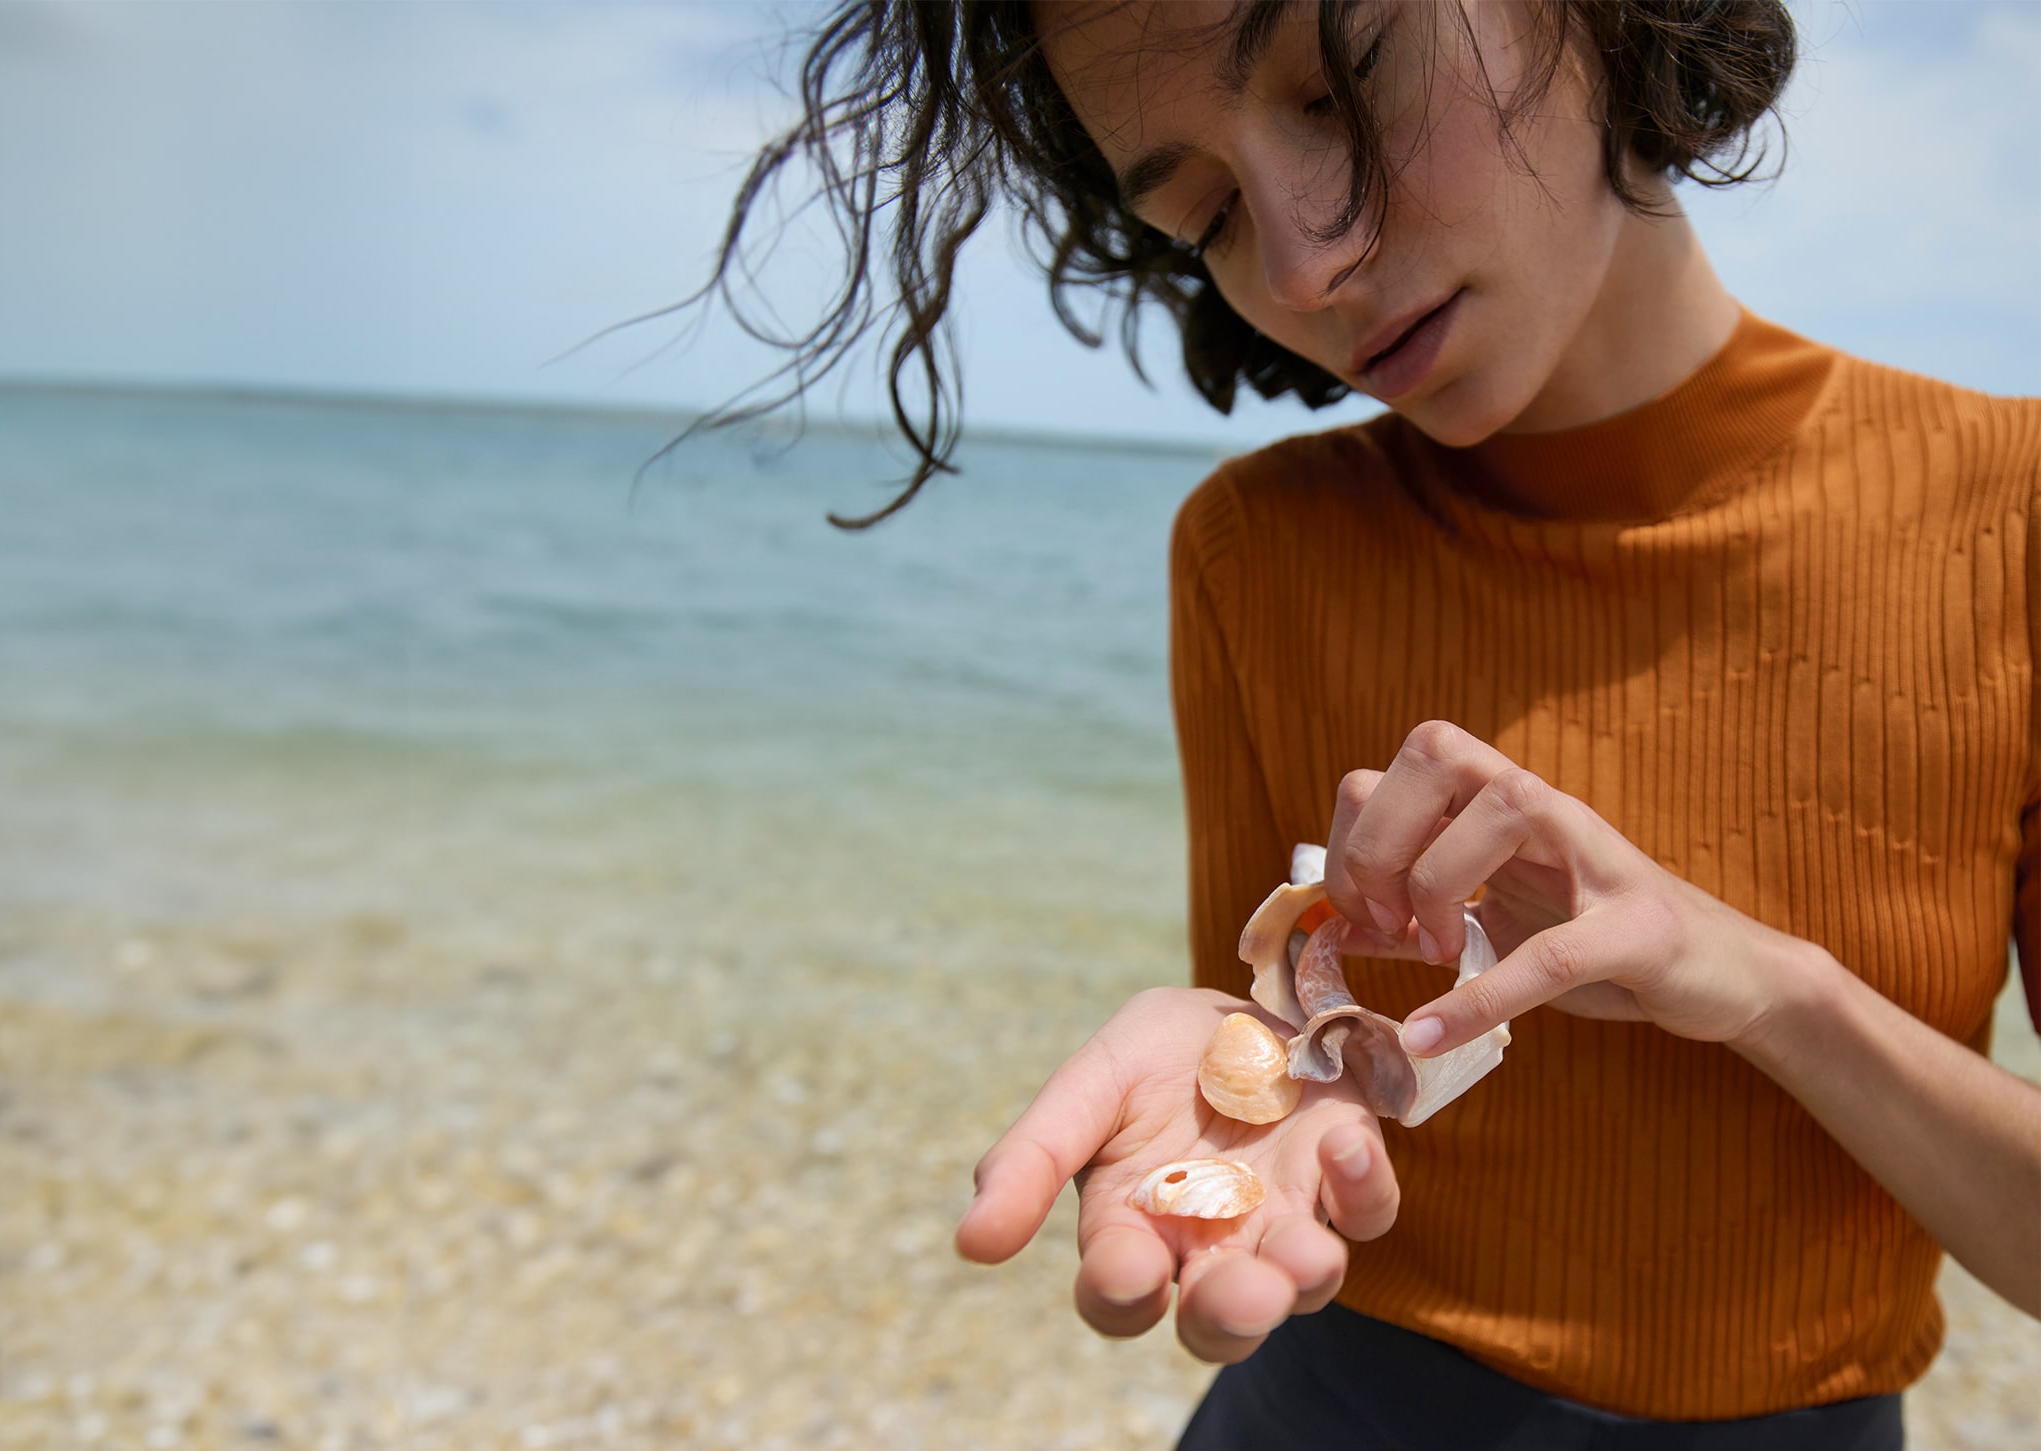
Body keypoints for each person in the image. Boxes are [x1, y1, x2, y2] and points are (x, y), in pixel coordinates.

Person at [703, 2, 2041, 1446]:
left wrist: (1774, 989)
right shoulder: (1257, 552)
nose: (1298, 263)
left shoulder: (2009, 521)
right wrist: (1236, 1069)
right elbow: (1282, 1047)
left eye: (1340, 91)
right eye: (1206, 213)